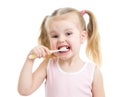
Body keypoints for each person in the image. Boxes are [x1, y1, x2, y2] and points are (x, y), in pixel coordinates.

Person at [18, 7, 105, 97]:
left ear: (82, 37)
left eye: (68, 33)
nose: (61, 40)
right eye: (55, 36)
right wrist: (30, 60)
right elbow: (24, 90)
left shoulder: (92, 72)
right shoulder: (48, 65)